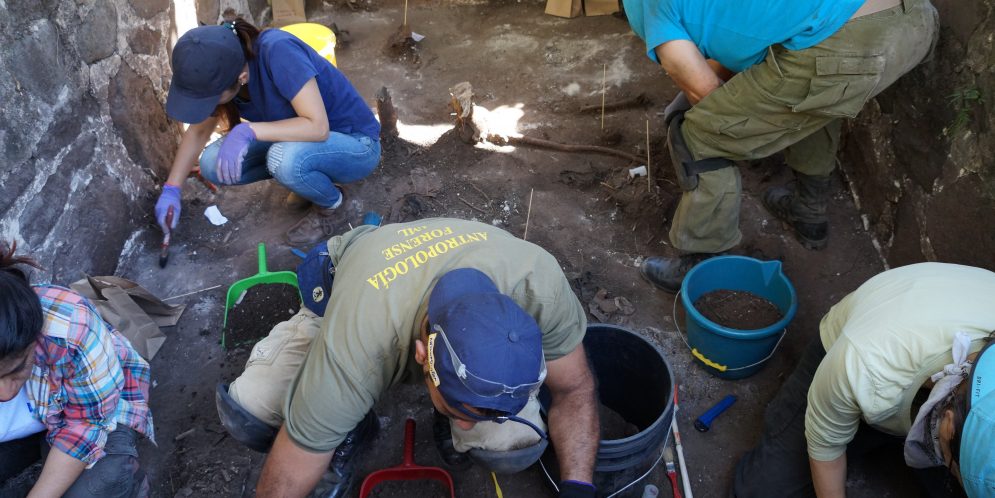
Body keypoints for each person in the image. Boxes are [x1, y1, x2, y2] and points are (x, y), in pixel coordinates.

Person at [214, 218, 600, 498]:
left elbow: (574, 389)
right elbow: (294, 459)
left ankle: (451, 400)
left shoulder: (540, 286)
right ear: (421, 356)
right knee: (252, 410)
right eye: (461, 412)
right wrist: (325, 429)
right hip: (346, 287)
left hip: (435, 284)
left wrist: (578, 489)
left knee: (516, 445)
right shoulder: (359, 339)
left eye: (472, 413)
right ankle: (350, 428)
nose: (469, 425)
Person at [623, 0, 939, 292]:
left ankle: (702, 262)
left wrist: (716, 119)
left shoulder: (650, 7)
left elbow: (705, 91)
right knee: (815, 93)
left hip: (852, 45)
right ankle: (808, 212)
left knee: (701, 134)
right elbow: (739, 42)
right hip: (912, 21)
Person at [732, 263, 995, 497]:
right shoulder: (866, 364)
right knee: (764, 490)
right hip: (864, 352)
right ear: (947, 426)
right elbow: (826, 447)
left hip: (912, 369)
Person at [156, 19, 381, 246]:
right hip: (303, 142)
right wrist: (171, 189)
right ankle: (308, 179)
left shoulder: (279, 51)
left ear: (241, 77)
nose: (207, 105)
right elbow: (198, 132)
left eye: (209, 98)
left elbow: (318, 127)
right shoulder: (226, 63)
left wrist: (248, 130)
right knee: (211, 162)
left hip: (356, 145)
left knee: (283, 159)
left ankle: (333, 204)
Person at [0, 242, 154, 497]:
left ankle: (130, 481)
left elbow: (84, 426)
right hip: (33, 416)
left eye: (16, 369)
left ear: (33, 337)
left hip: (95, 413)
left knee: (97, 485)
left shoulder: (72, 328)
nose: (5, 393)